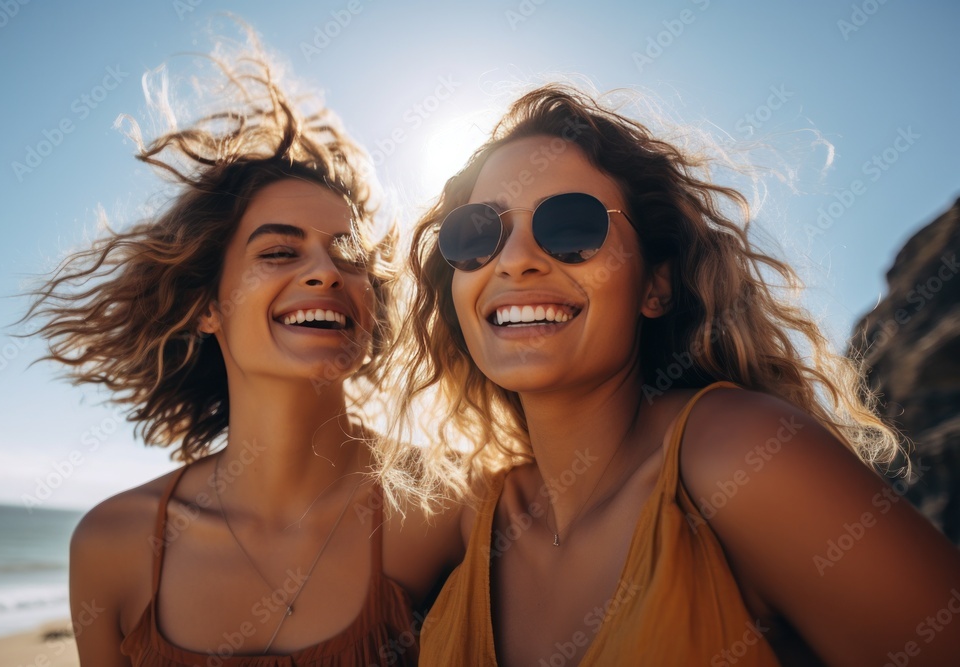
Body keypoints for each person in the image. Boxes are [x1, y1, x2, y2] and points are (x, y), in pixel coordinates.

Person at [398, 84, 960, 665]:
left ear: (655, 286)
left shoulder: (739, 454)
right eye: (477, 234)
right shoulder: (470, 513)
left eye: (571, 226)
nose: (514, 259)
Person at [26, 39, 461, 666]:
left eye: (348, 255)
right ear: (208, 306)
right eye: (280, 252)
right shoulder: (111, 544)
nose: (325, 273)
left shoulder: (446, 508)